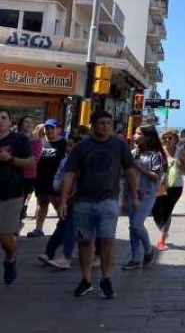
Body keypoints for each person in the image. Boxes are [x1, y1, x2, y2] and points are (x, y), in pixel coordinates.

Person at [60, 110, 139, 299]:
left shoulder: (119, 144)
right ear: (93, 125)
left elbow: (129, 171)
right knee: (85, 241)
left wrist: (135, 195)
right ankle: (86, 280)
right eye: (102, 123)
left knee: (107, 240)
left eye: (109, 124)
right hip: (83, 201)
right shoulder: (82, 147)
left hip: (109, 200)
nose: (106, 127)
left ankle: (106, 279)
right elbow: (69, 174)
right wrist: (63, 200)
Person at [39, 130, 85, 269]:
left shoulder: (83, 163)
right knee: (62, 227)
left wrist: (66, 198)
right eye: (68, 145)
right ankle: (49, 252)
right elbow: (59, 179)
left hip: (78, 201)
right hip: (67, 200)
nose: (68, 148)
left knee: (70, 228)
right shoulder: (65, 161)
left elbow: (80, 185)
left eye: (72, 146)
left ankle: (66, 257)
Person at [0, 108, 36, 284]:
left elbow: (30, 163)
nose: (0, 121)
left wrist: (10, 159)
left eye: (3, 117)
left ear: (9, 121)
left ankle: (10, 259)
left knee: (5, 237)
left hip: (10, 193)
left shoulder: (19, 140)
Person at [122, 126, 165, 270]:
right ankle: (135, 258)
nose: (135, 136)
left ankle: (148, 250)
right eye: (135, 133)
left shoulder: (155, 155)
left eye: (138, 133)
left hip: (147, 195)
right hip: (131, 194)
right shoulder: (133, 153)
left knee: (136, 224)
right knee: (132, 227)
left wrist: (140, 168)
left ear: (148, 137)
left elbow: (157, 176)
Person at [152, 128, 185, 251]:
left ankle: (162, 239)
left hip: (175, 186)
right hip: (160, 185)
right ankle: (163, 230)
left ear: (176, 140)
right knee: (155, 210)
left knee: (167, 211)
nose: (167, 140)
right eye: (165, 138)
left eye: (170, 138)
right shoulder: (158, 152)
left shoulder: (180, 152)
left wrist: (180, 163)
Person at [28, 118, 67, 238]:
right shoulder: (40, 142)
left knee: (58, 204)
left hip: (56, 180)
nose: (49, 130)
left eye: (52, 128)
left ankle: (65, 228)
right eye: (47, 127)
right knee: (42, 203)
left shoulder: (64, 143)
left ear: (58, 129)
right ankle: (38, 229)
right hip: (41, 179)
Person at [17, 116, 39, 222]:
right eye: (26, 122)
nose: (29, 124)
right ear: (21, 124)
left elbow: (34, 161)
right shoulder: (14, 138)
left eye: (31, 122)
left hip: (29, 175)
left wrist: (15, 160)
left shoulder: (36, 141)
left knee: (22, 200)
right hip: (13, 174)